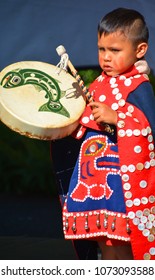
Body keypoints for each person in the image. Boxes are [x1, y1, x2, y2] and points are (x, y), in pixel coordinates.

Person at [61, 7, 155, 260]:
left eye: (115, 50)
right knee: (104, 243)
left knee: (124, 245)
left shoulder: (139, 86)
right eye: (102, 49)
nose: (106, 57)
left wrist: (118, 118)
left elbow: (150, 129)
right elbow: (86, 123)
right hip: (92, 183)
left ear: (140, 50)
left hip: (122, 186)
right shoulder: (99, 83)